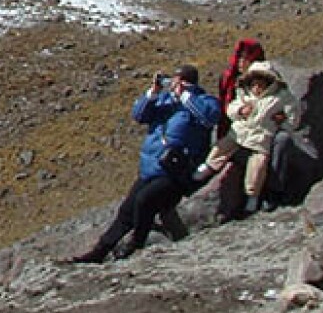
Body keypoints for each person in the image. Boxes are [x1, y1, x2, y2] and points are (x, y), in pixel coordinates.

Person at [69, 64, 221, 263]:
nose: (172, 84)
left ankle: (137, 243)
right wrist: (153, 93)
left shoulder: (202, 101)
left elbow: (209, 118)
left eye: (177, 80)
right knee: (127, 210)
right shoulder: (165, 101)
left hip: (177, 171)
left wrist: (185, 96)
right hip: (152, 166)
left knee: (145, 200)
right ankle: (100, 250)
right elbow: (139, 115)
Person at [194, 60, 297, 214]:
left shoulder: (281, 97)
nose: (257, 88)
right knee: (221, 148)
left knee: (257, 167)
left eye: (261, 84)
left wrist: (283, 121)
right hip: (239, 133)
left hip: (261, 139)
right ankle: (207, 167)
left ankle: (252, 197)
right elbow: (231, 109)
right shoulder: (244, 95)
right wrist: (241, 111)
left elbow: (294, 117)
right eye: (254, 84)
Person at [216, 38, 265, 140]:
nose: (241, 62)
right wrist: (240, 111)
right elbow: (227, 108)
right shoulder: (229, 79)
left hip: (256, 132)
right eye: (239, 57)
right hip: (233, 128)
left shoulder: (266, 80)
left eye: (246, 58)